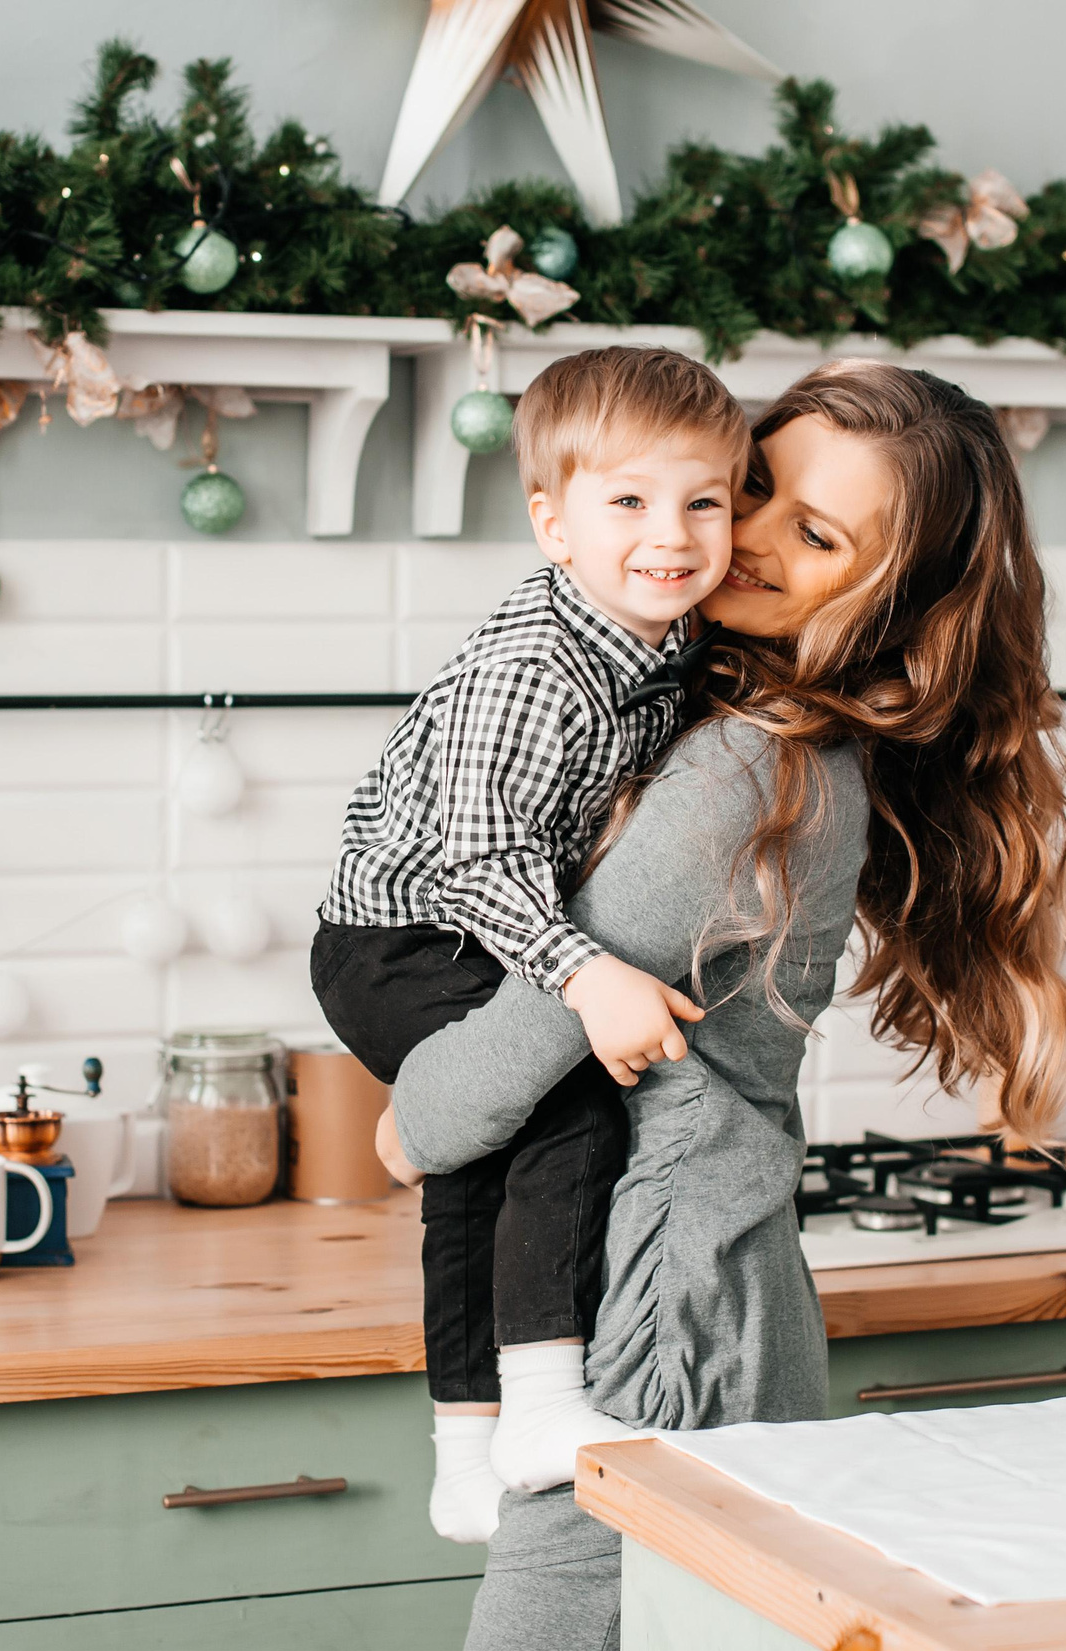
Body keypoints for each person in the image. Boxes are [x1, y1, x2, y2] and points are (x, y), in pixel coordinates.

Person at [387, 359, 1066, 1651]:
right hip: (704, 1282)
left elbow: (462, 1101)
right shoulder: (726, 725)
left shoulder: (742, 771)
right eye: (757, 486)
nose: (743, 536)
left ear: (893, 605)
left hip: (662, 1319)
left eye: (817, 535)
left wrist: (399, 1114)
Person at [311, 346, 751, 1544]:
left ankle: (467, 1449)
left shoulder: (660, 632)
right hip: (405, 937)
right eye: (629, 502)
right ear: (552, 523)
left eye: (703, 501)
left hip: (485, 933)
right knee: (560, 1109)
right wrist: (589, 973)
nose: (672, 534)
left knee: (480, 1159)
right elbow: (480, 860)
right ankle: (546, 1405)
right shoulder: (534, 670)